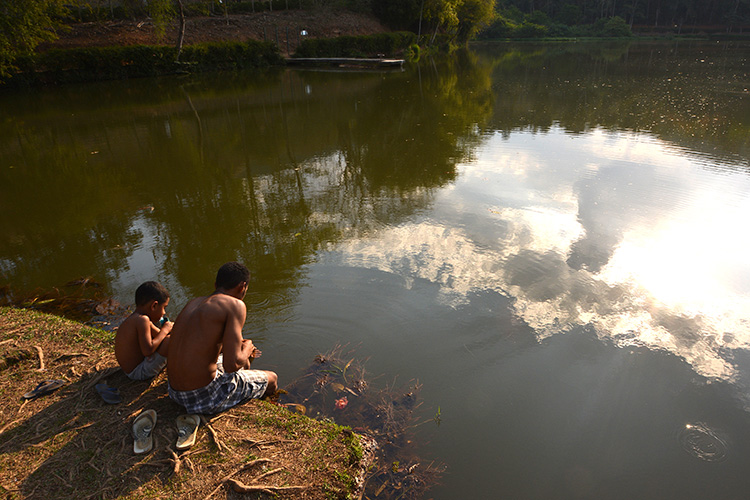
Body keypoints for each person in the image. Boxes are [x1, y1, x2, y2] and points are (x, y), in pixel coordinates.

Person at [167, 262, 278, 415]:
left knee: (242, 359)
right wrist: (248, 347)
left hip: (174, 392)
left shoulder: (194, 303)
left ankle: (243, 384)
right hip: (202, 397)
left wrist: (241, 349)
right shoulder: (235, 305)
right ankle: (269, 406)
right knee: (272, 378)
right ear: (242, 286)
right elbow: (231, 365)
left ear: (216, 284)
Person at [115, 281, 173, 380]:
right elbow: (148, 350)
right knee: (169, 341)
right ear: (154, 306)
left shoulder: (137, 318)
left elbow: (159, 335)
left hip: (130, 369)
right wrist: (165, 330)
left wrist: (168, 330)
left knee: (168, 338)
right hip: (137, 372)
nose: (164, 313)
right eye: (164, 307)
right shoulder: (142, 320)